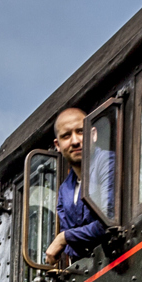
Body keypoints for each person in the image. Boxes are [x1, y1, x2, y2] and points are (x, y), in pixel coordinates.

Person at [44, 107, 114, 265]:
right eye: (66, 136)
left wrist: (64, 238)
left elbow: (109, 222)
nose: (75, 141)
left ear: (93, 134)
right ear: (58, 145)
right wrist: (71, 238)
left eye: (80, 132)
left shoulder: (107, 163)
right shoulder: (64, 190)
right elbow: (71, 250)